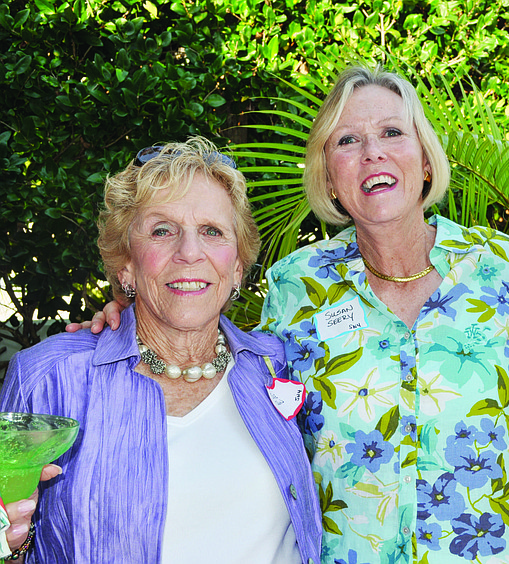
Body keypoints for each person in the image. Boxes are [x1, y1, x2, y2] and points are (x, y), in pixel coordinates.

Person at [67, 67, 509, 563]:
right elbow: (225, 361)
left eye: (392, 132)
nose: (373, 153)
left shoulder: (502, 266)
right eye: (348, 140)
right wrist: (129, 313)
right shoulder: (297, 284)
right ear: (330, 178)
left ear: (426, 160)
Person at [1, 137, 322, 563]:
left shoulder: (277, 363)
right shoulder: (50, 378)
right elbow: (14, 537)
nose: (190, 252)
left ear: (238, 265)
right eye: (162, 230)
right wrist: (10, 542)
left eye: (212, 231)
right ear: (126, 264)